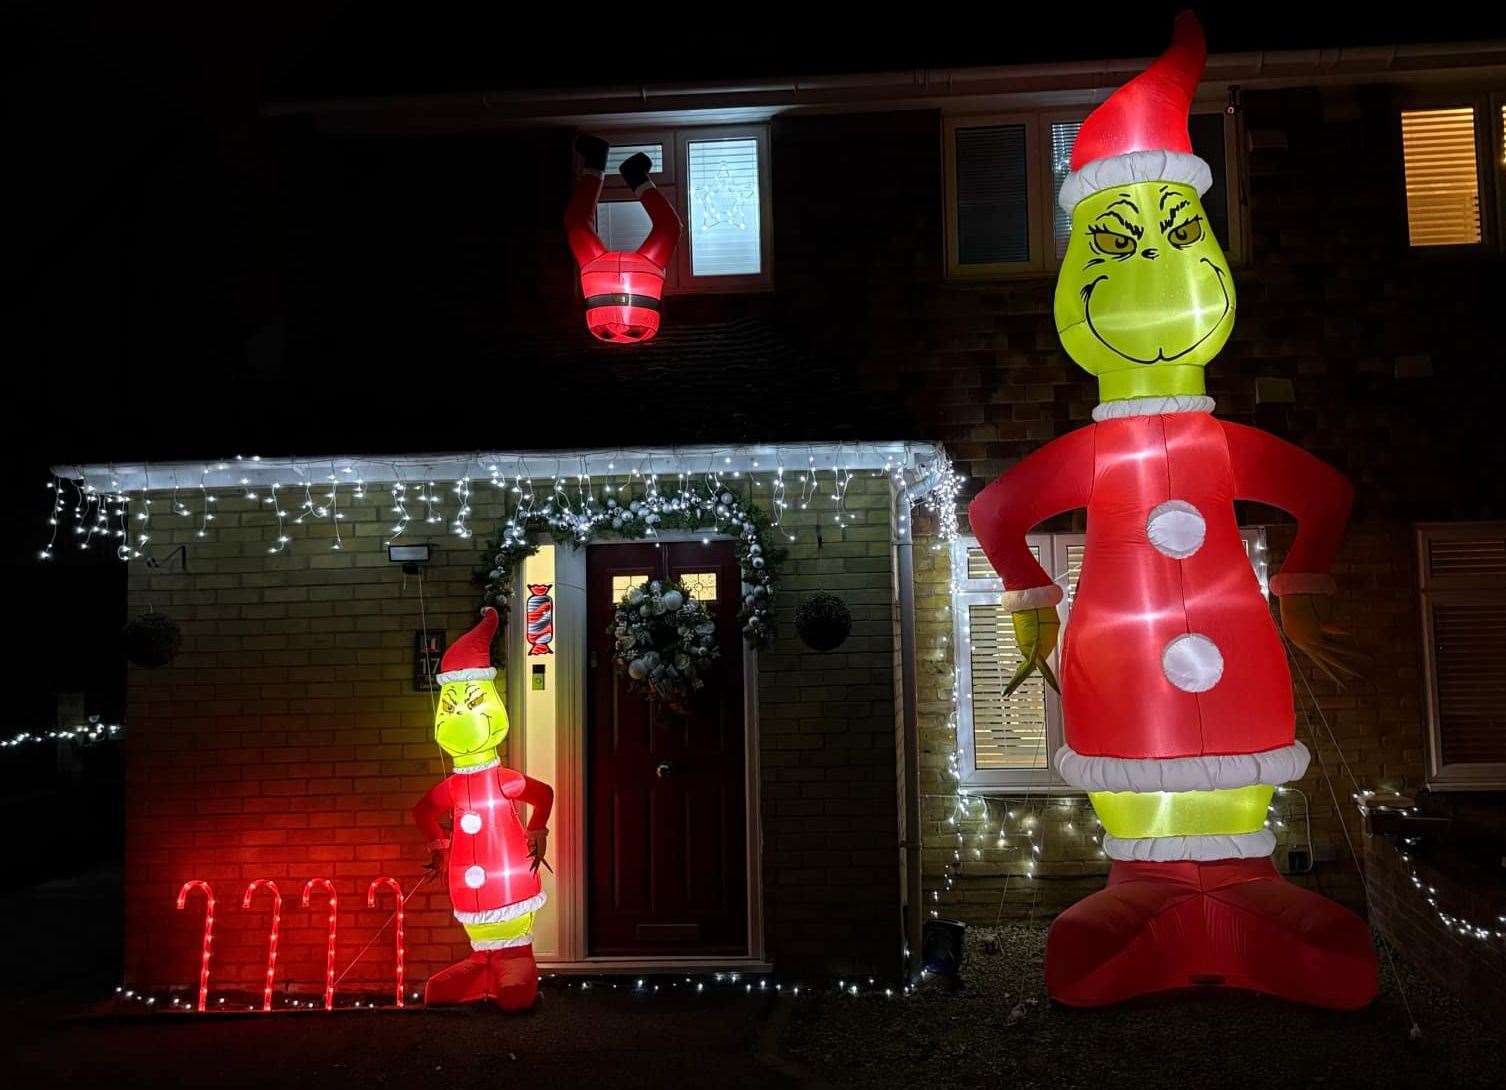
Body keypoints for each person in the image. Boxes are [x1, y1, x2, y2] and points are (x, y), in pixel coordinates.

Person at [564, 134, 682, 343]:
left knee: (576, 224)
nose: (621, 330)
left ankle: (599, 160)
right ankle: (633, 174)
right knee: (670, 227)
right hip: (637, 270)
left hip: (601, 268)